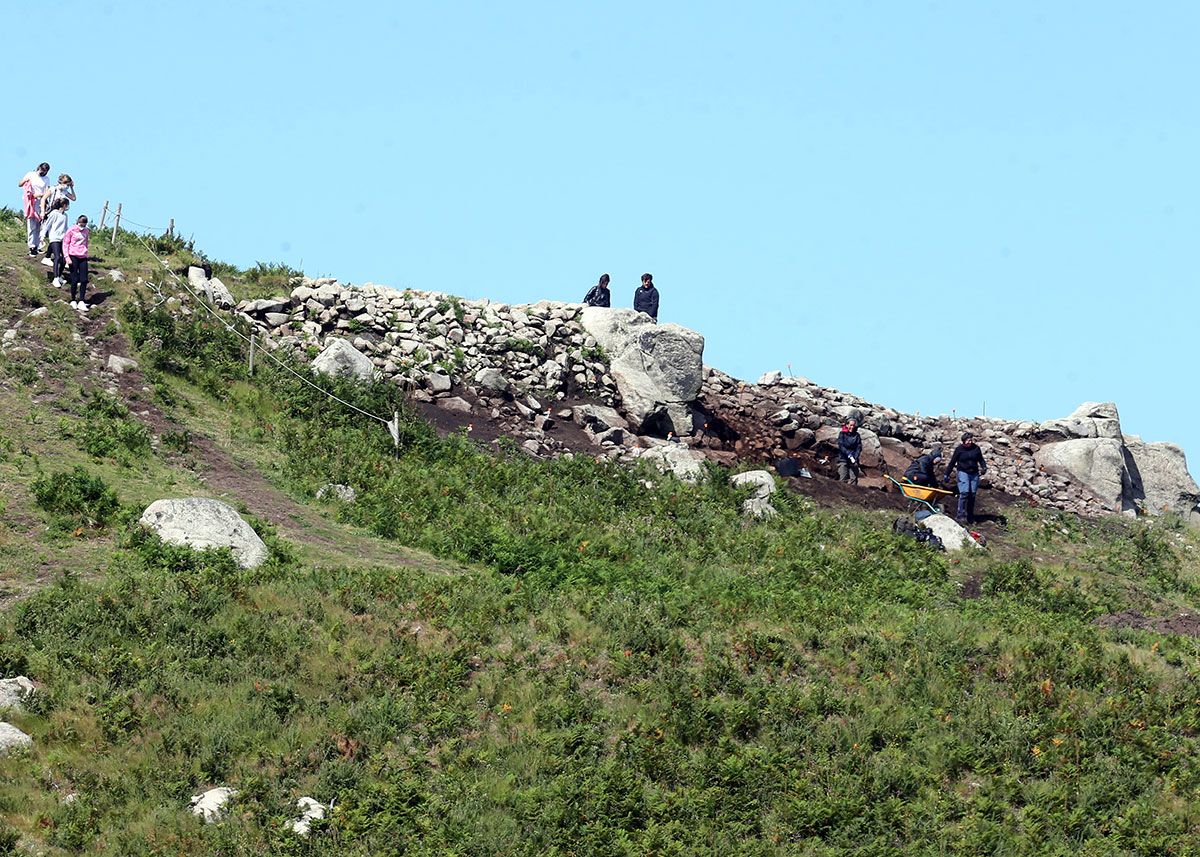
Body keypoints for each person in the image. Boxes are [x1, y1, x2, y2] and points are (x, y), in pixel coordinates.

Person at [944, 432, 987, 524]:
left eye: (971, 440)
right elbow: (952, 462)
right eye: (968, 440)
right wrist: (946, 474)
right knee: (965, 492)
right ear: (963, 441)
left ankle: (970, 516)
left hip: (974, 473)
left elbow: (981, 460)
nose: (970, 442)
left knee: (972, 494)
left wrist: (984, 467)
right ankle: (960, 515)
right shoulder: (959, 450)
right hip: (963, 472)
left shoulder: (976, 448)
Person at [18, 163, 50, 258]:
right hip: (32, 202)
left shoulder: (47, 179)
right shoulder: (31, 174)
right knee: (32, 225)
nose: (43, 172)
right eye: (42, 170)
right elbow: (20, 184)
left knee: (40, 224)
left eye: (45, 171)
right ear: (39, 168)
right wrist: (25, 181)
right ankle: (32, 247)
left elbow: (47, 190)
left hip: (42, 202)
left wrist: (44, 196)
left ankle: (38, 245)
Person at [63, 215, 91, 312]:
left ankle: (82, 300)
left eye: (83, 225)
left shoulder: (86, 231)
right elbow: (65, 243)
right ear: (77, 222)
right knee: (74, 279)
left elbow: (86, 242)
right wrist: (67, 257)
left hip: (83, 256)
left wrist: (86, 253)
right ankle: (73, 300)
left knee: (84, 279)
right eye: (80, 224)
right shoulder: (71, 230)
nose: (81, 226)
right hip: (73, 256)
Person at [42, 198, 70, 288]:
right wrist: (42, 236)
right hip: (54, 238)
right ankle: (55, 278)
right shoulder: (54, 213)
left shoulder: (65, 215)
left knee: (64, 259)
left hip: (62, 239)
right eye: (67, 205)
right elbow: (47, 225)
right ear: (64, 205)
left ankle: (59, 275)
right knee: (57, 257)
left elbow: (66, 228)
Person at [837, 417, 862, 485]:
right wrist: (849, 455)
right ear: (847, 425)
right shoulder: (842, 434)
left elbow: (859, 447)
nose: (852, 427)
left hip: (854, 460)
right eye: (851, 425)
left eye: (853, 425)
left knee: (853, 479)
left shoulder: (857, 435)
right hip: (843, 458)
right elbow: (841, 446)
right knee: (843, 478)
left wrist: (855, 458)